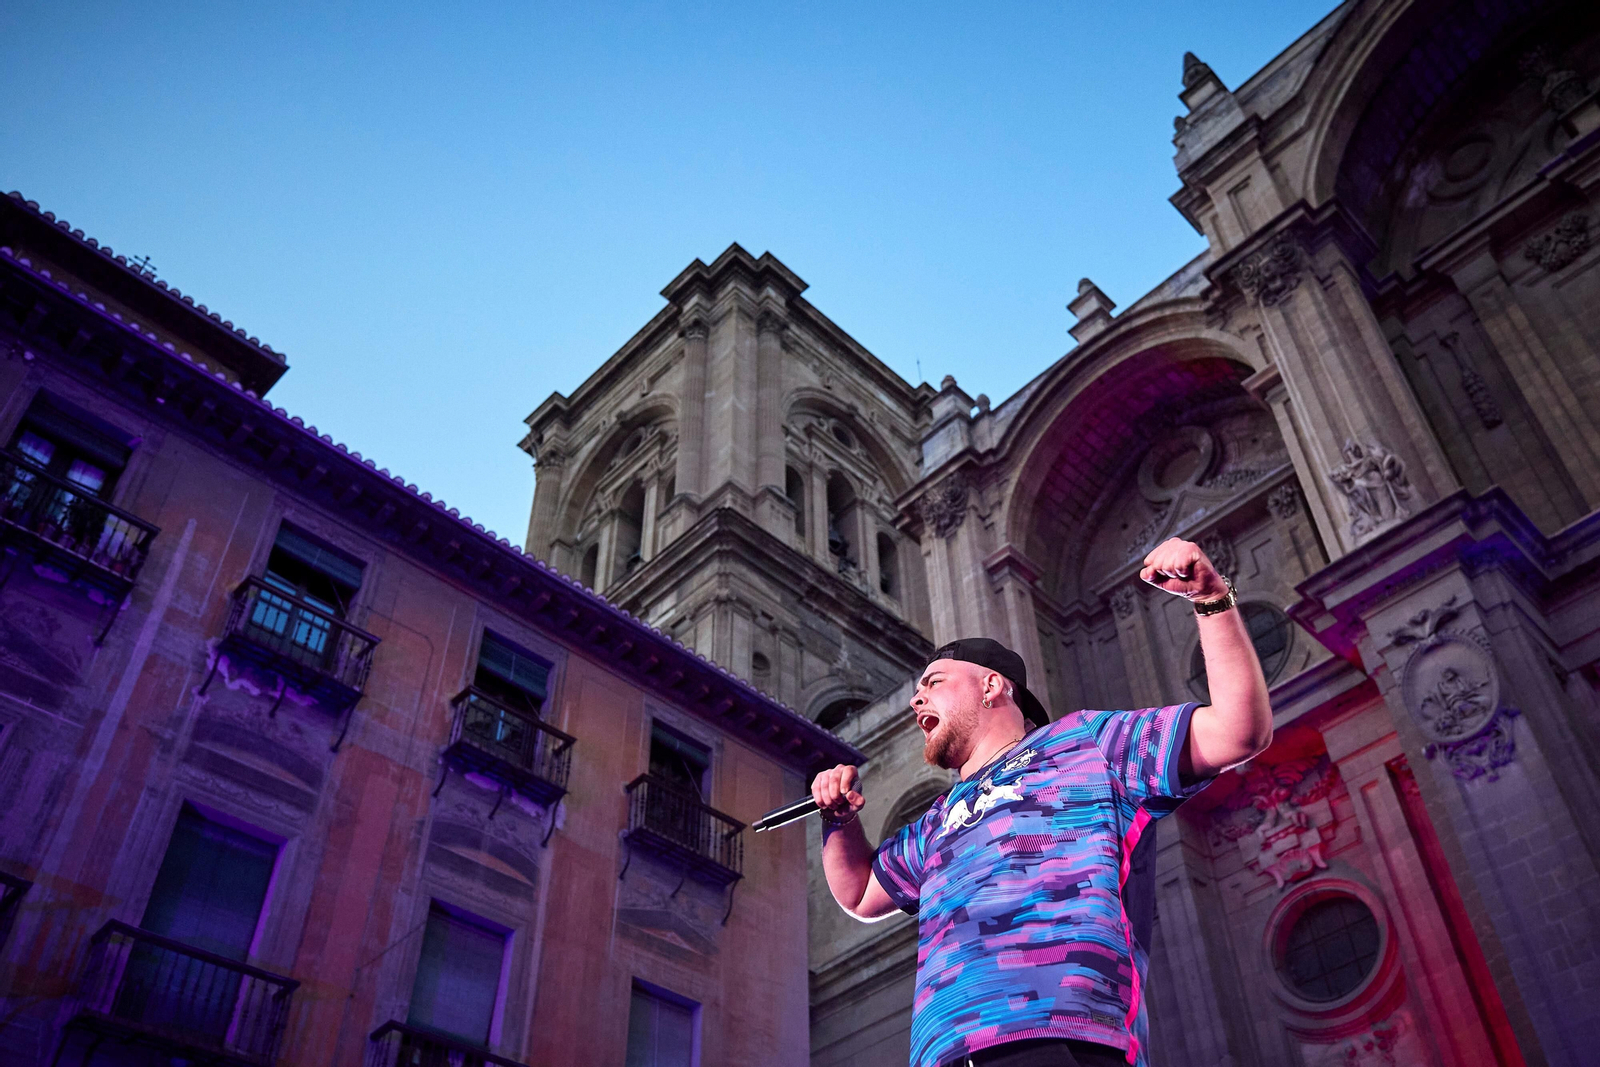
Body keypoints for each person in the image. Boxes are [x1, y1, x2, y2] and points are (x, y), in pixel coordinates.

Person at [811, 537, 1273, 1067]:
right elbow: (860, 893)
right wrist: (838, 820)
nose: (917, 698)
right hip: (946, 1053)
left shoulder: (1087, 743)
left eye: (933, 682)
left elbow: (1238, 731)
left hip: (1064, 1035)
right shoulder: (938, 821)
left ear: (992, 686)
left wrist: (1211, 600)